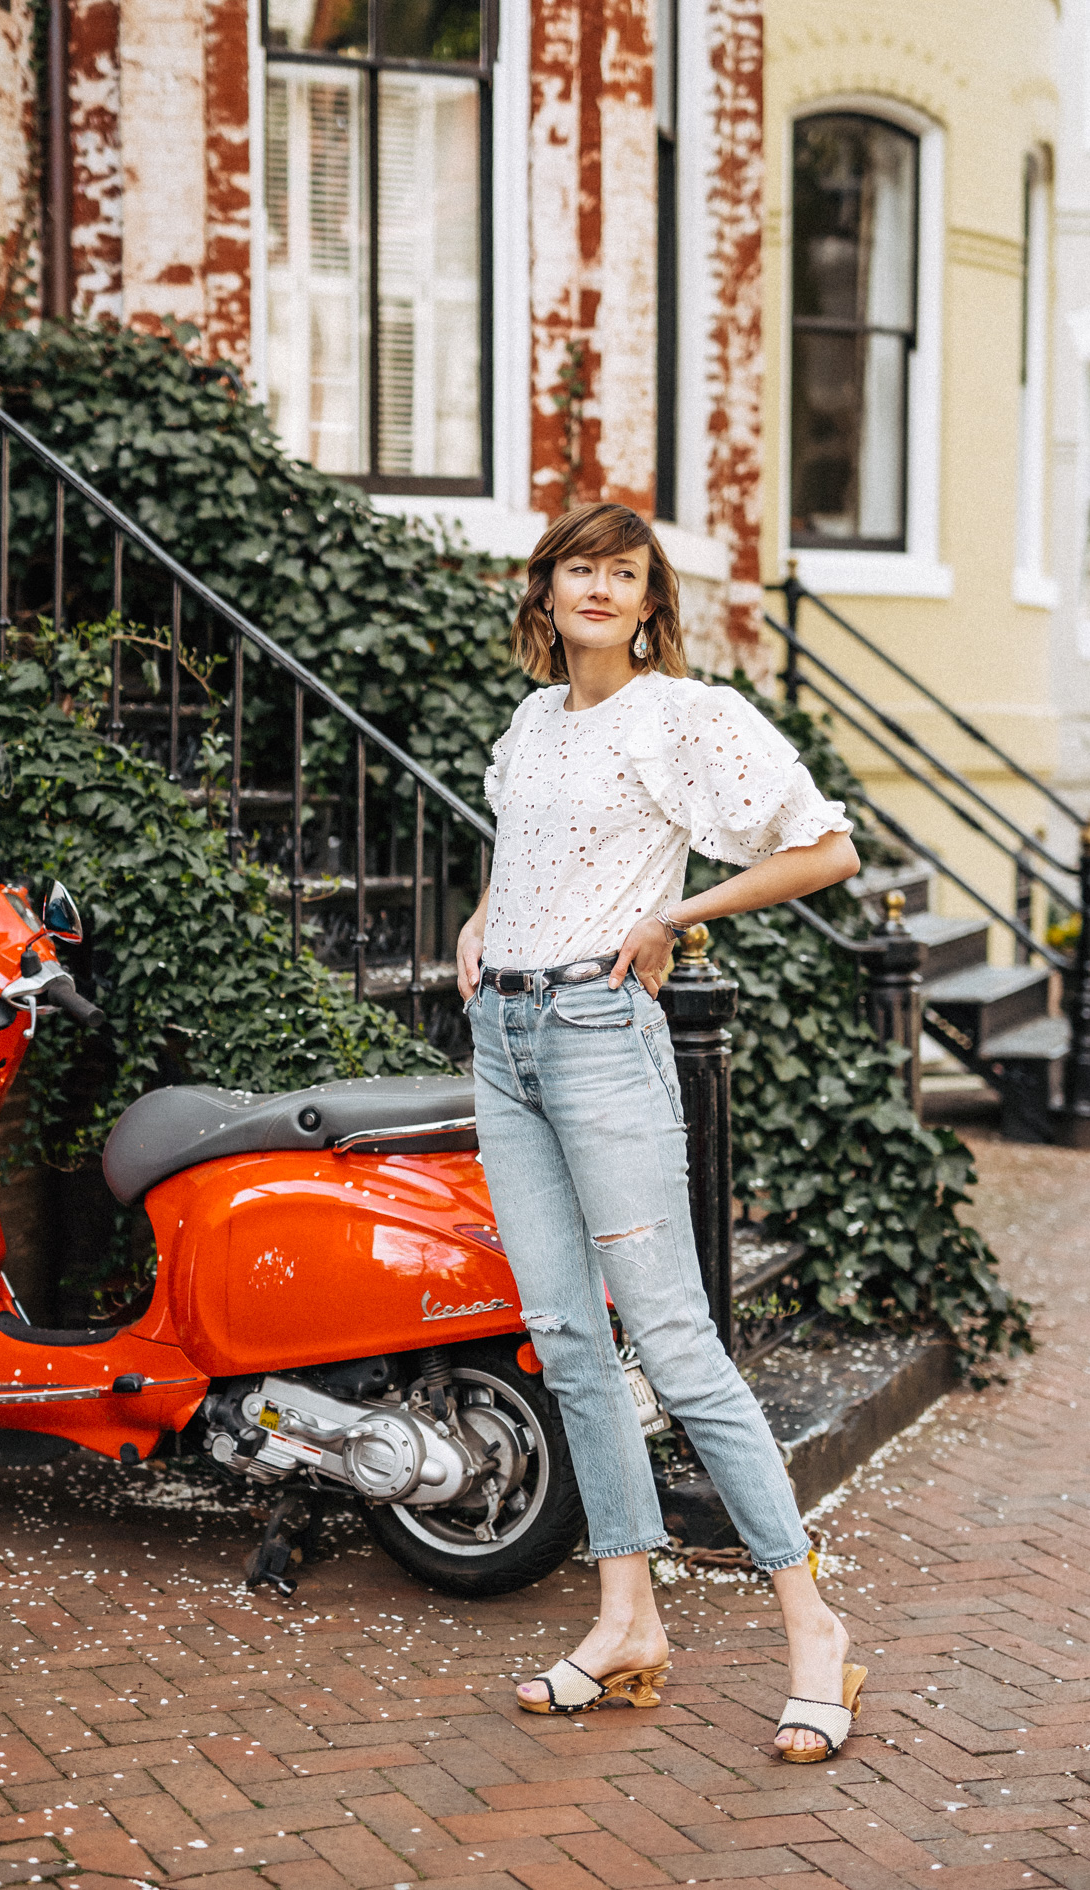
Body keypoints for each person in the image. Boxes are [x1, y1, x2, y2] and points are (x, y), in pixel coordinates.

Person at [456, 502, 867, 1761]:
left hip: (599, 1040)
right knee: (569, 1341)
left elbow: (826, 851)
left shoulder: (681, 717)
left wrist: (679, 912)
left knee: (677, 1348)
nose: (598, 587)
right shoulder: (531, 726)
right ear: (549, 588)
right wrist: (481, 924)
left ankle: (815, 1632)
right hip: (505, 1044)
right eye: (579, 567)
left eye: (622, 573)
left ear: (648, 605)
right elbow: (525, 858)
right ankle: (627, 1620)